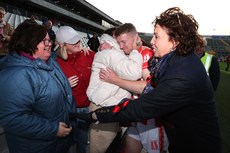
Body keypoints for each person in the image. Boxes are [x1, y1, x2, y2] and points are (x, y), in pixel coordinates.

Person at [74, 7, 222, 153]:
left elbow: (142, 107)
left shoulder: (182, 75)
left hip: (196, 146)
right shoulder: (177, 61)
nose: (151, 41)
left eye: (157, 36)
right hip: (183, 139)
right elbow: (150, 88)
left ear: (175, 41)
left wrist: (97, 114)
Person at [0, 22, 77, 153]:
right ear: (28, 42)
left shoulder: (49, 61)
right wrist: (53, 129)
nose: (49, 44)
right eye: (43, 40)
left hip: (58, 143)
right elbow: (13, 119)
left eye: (49, 40)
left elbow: (67, 51)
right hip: (37, 146)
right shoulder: (16, 74)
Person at [99, 23, 168, 153]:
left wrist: (115, 80)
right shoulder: (130, 55)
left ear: (136, 37)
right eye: (118, 43)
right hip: (137, 118)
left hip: (152, 121)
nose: (121, 46)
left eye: (124, 42)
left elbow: (147, 87)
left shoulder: (146, 54)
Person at [86, 29, 143, 153]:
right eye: (119, 41)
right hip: (104, 107)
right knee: (101, 148)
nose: (121, 45)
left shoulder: (115, 55)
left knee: (111, 146)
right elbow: (134, 72)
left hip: (108, 106)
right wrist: (134, 50)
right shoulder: (109, 54)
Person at [56, 26, 95, 153]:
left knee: (83, 142)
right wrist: (64, 84)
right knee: (67, 144)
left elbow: (109, 58)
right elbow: (50, 89)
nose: (78, 42)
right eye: (73, 41)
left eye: (78, 39)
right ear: (63, 45)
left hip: (86, 108)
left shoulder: (88, 54)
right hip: (67, 110)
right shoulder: (55, 63)